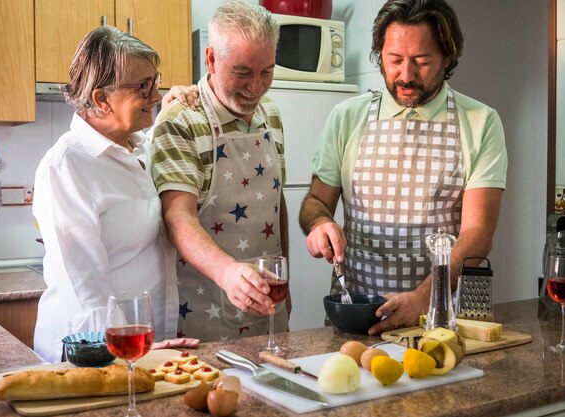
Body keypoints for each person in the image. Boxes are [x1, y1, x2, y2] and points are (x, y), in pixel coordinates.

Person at [299, 0, 507, 335]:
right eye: (394, 60)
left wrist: (421, 298)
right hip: (356, 315)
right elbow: (315, 202)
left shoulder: (480, 122)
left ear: (447, 57)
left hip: (439, 319)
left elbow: (478, 233)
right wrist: (319, 222)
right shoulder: (347, 117)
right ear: (379, 53)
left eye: (421, 62)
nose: (405, 76)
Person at [33, 26, 179, 362]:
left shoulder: (140, 148)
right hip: (92, 352)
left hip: (142, 345)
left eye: (156, 82)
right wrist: (122, 351)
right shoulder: (66, 166)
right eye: (144, 87)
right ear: (101, 98)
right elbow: (86, 291)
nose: (155, 96)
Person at [149, 0, 288, 342]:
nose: (255, 87)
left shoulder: (270, 113)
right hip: (204, 317)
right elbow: (177, 218)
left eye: (266, 71)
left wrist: (289, 286)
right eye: (242, 72)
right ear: (211, 59)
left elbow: (276, 202)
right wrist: (227, 273)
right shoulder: (181, 120)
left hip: (270, 310)